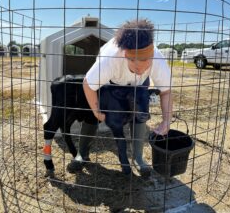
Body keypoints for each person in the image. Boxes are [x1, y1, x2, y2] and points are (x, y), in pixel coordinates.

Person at [69, 19, 173, 177]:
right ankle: (82, 154)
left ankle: (138, 158)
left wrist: (167, 120)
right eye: (137, 67)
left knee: (140, 113)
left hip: (138, 85)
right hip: (111, 83)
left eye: (147, 66)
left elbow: (166, 92)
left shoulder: (157, 59)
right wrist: (97, 111)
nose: (142, 70)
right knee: (90, 113)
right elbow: (88, 85)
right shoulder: (109, 60)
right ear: (126, 56)